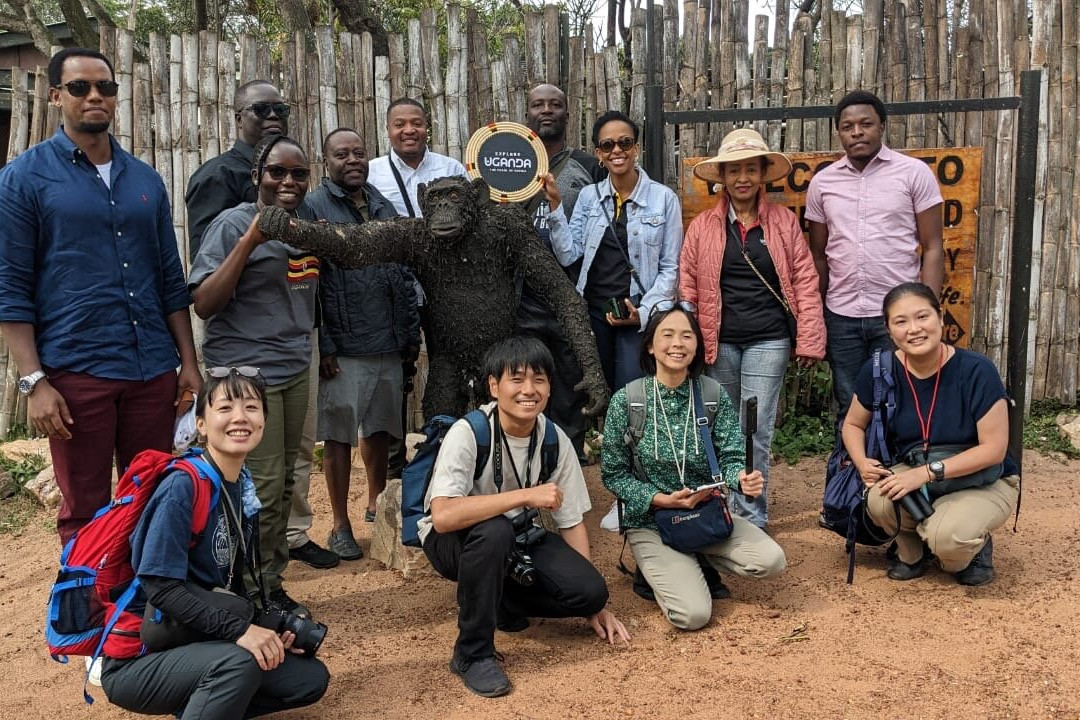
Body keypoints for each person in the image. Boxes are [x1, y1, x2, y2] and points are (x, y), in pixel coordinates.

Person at [0, 47, 201, 546]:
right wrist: (34, 382)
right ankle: (87, 596)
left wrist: (188, 363)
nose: (95, 96)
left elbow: (169, 278)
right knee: (85, 508)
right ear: (55, 96)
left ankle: (148, 592)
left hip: (151, 369)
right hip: (76, 371)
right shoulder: (24, 178)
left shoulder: (145, 180)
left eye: (105, 87)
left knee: (152, 494)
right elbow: (10, 286)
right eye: (80, 87)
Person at [100, 367, 330, 719]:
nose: (240, 417)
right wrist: (242, 631)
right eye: (225, 408)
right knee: (240, 661)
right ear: (202, 424)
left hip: (193, 638)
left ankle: (203, 703)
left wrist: (270, 629)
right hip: (139, 657)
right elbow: (159, 587)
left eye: (251, 407)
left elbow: (224, 588)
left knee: (307, 679)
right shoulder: (182, 487)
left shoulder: (238, 485)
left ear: (264, 421)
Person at [418, 337, 629, 698]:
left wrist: (593, 606)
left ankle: (497, 599)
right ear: (494, 386)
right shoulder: (469, 432)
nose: (529, 390)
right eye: (516, 379)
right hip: (454, 541)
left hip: (517, 537)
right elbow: (443, 517)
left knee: (590, 591)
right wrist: (526, 496)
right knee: (495, 531)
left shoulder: (553, 439)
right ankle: (472, 653)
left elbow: (571, 521)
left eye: (539, 379)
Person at [184, 79, 332, 571]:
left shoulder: (306, 227)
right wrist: (251, 239)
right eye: (277, 172)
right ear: (257, 175)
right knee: (262, 484)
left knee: (286, 478)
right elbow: (204, 303)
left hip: (294, 367)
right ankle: (251, 586)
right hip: (245, 372)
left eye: (299, 174)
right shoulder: (231, 224)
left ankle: (271, 577)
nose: (288, 181)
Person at [601, 303, 786, 630]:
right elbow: (614, 474)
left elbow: (731, 457)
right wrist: (659, 499)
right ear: (650, 345)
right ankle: (656, 569)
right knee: (693, 615)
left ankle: (694, 557)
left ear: (697, 345)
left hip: (705, 512)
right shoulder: (628, 400)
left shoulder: (711, 394)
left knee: (771, 561)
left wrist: (741, 478)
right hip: (652, 521)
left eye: (687, 336)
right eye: (667, 335)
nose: (678, 344)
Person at [680, 128, 825, 529]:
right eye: (734, 170)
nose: (742, 178)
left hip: (768, 338)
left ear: (762, 174)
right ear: (722, 177)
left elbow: (804, 280)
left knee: (754, 428)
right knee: (723, 427)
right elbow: (688, 284)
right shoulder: (703, 226)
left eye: (750, 169)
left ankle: (752, 516)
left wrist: (810, 339)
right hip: (718, 340)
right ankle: (725, 504)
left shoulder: (782, 223)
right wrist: (687, 337)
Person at [842, 283, 1020, 586]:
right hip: (916, 469)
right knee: (878, 499)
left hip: (982, 478)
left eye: (922, 317)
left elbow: (994, 450)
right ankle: (912, 552)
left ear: (940, 316)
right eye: (901, 321)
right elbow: (853, 424)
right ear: (888, 329)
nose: (914, 329)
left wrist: (925, 473)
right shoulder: (879, 370)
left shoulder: (977, 370)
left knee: (947, 537)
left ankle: (970, 549)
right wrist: (862, 462)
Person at [307, 128, 421, 559]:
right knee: (338, 436)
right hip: (344, 345)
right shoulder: (315, 207)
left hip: (386, 339)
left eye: (358, 153)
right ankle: (340, 524)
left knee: (380, 429)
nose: (352, 160)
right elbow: (313, 284)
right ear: (327, 161)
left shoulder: (381, 204)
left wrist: (407, 335)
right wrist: (326, 343)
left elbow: (401, 271)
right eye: (342, 154)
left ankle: (377, 505)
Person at [806, 89, 945, 418]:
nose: (857, 132)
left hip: (898, 314)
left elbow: (933, 247)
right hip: (841, 316)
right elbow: (819, 257)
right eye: (847, 127)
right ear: (839, 132)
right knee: (850, 404)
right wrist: (816, 314)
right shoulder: (822, 183)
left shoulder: (913, 173)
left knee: (902, 402)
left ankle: (901, 454)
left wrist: (926, 310)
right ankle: (851, 454)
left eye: (865, 124)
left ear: (882, 126)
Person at [545, 110, 683, 393]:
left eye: (625, 143)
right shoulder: (589, 197)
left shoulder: (664, 199)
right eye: (608, 145)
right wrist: (556, 206)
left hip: (639, 312)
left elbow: (671, 269)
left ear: (636, 148)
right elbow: (568, 255)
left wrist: (643, 313)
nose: (617, 150)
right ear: (599, 153)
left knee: (633, 393)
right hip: (595, 312)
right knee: (600, 391)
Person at [517, 83, 606, 461]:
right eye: (538, 104)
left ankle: (569, 465)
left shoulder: (588, 166)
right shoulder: (510, 162)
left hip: (572, 293)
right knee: (526, 382)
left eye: (555, 104)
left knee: (570, 385)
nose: (547, 110)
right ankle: (528, 465)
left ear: (568, 114)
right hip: (521, 296)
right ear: (527, 114)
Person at [185, 80, 289, 260]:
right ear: (239, 119)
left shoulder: (291, 174)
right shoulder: (217, 176)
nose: (273, 115)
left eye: (280, 110)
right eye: (261, 109)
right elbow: (207, 259)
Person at [366, 97, 468, 218]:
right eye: (399, 125)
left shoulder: (452, 169)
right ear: (388, 130)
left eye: (417, 124)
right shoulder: (370, 173)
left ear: (426, 127)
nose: (409, 130)